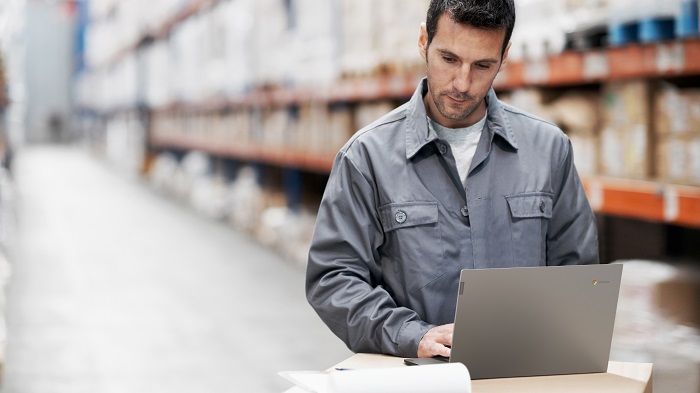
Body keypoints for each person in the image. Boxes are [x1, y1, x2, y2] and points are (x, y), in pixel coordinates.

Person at [306, 0, 598, 360]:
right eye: (449, 59)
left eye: (482, 65)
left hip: (520, 373)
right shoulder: (366, 157)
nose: (462, 83)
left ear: (504, 57)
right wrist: (410, 334)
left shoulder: (549, 150)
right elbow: (333, 277)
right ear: (423, 40)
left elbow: (578, 274)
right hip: (415, 374)